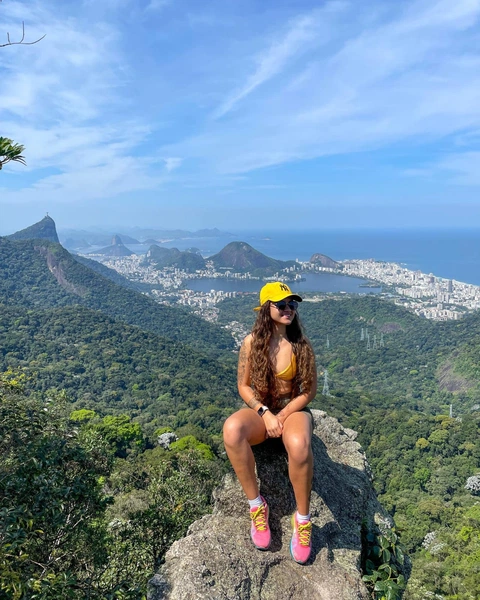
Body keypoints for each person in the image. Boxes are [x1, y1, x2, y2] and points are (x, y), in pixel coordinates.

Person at [223, 281, 317, 564]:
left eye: (292, 304)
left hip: (291, 410)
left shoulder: (301, 345)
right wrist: (265, 413)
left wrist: (283, 416)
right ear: (267, 309)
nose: (289, 309)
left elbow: (308, 392)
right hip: (262, 412)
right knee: (232, 430)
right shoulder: (251, 343)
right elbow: (243, 386)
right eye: (282, 304)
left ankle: (302, 520)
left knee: (300, 446)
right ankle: (256, 505)